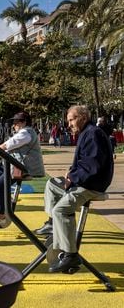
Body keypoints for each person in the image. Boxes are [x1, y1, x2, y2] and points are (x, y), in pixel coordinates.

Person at [34, 105, 113, 273]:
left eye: (71, 119)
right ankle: (52, 224)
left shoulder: (93, 133)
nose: (69, 124)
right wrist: (71, 172)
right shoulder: (87, 132)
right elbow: (83, 162)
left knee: (61, 210)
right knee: (52, 184)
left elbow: (92, 166)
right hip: (84, 180)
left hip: (92, 185)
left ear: (83, 118)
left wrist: (72, 178)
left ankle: (71, 255)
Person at [0, 112, 45, 228]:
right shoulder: (23, 132)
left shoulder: (26, 133)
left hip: (25, 167)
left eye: (16, 122)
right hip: (16, 164)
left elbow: (9, 145)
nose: (14, 125)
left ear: (24, 122)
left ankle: (1, 216)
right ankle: (6, 196)